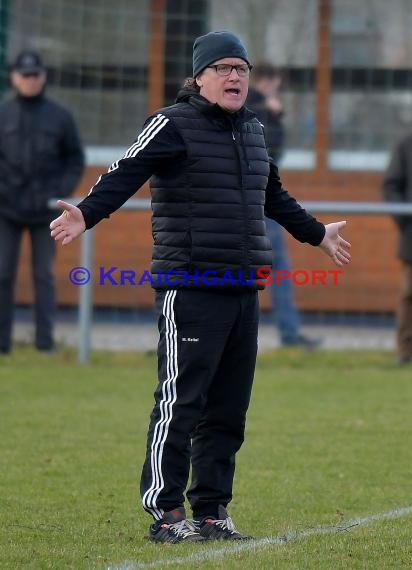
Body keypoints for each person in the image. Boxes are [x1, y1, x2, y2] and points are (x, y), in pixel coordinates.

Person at [50, 31, 351, 542]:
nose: (236, 76)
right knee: (181, 402)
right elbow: (125, 171)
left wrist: (317, 233)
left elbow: (272, 195)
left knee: (228, 409)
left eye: (242, 68)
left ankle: (211, 513)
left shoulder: (253, 129)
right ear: (200, 76)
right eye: (224, 68)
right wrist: (87, 213)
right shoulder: (171, 123)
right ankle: (165, 515)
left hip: (243, 288)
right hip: (189, 286)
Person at [0, 50, 84, 354]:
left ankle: (45, 344)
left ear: (44, 77)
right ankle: (2, 345)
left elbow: (75, 158)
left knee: (44, 275)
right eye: (24, 75)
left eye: (35, 75)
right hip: (6, 209)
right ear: (13, 77)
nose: (30, 81)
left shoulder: (60, 116)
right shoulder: (3, 113)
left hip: (46, 212)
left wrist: (58, 194)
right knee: (3, 273)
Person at [247, 62, 320, 349]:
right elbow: (267, 150)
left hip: (262, 199)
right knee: (276, 268)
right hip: (259, 202)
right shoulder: (253, 108)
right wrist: (271, 113)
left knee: (270, 268)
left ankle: (287, 333)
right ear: (266, 82)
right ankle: (288, 333)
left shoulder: (251, 107)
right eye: (275, 85)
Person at [382, 133, 412, 364]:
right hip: (411, 235)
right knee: (409, 295)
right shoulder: (406, 144)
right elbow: (392, 185)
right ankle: (405, 352)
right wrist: (405, 222)